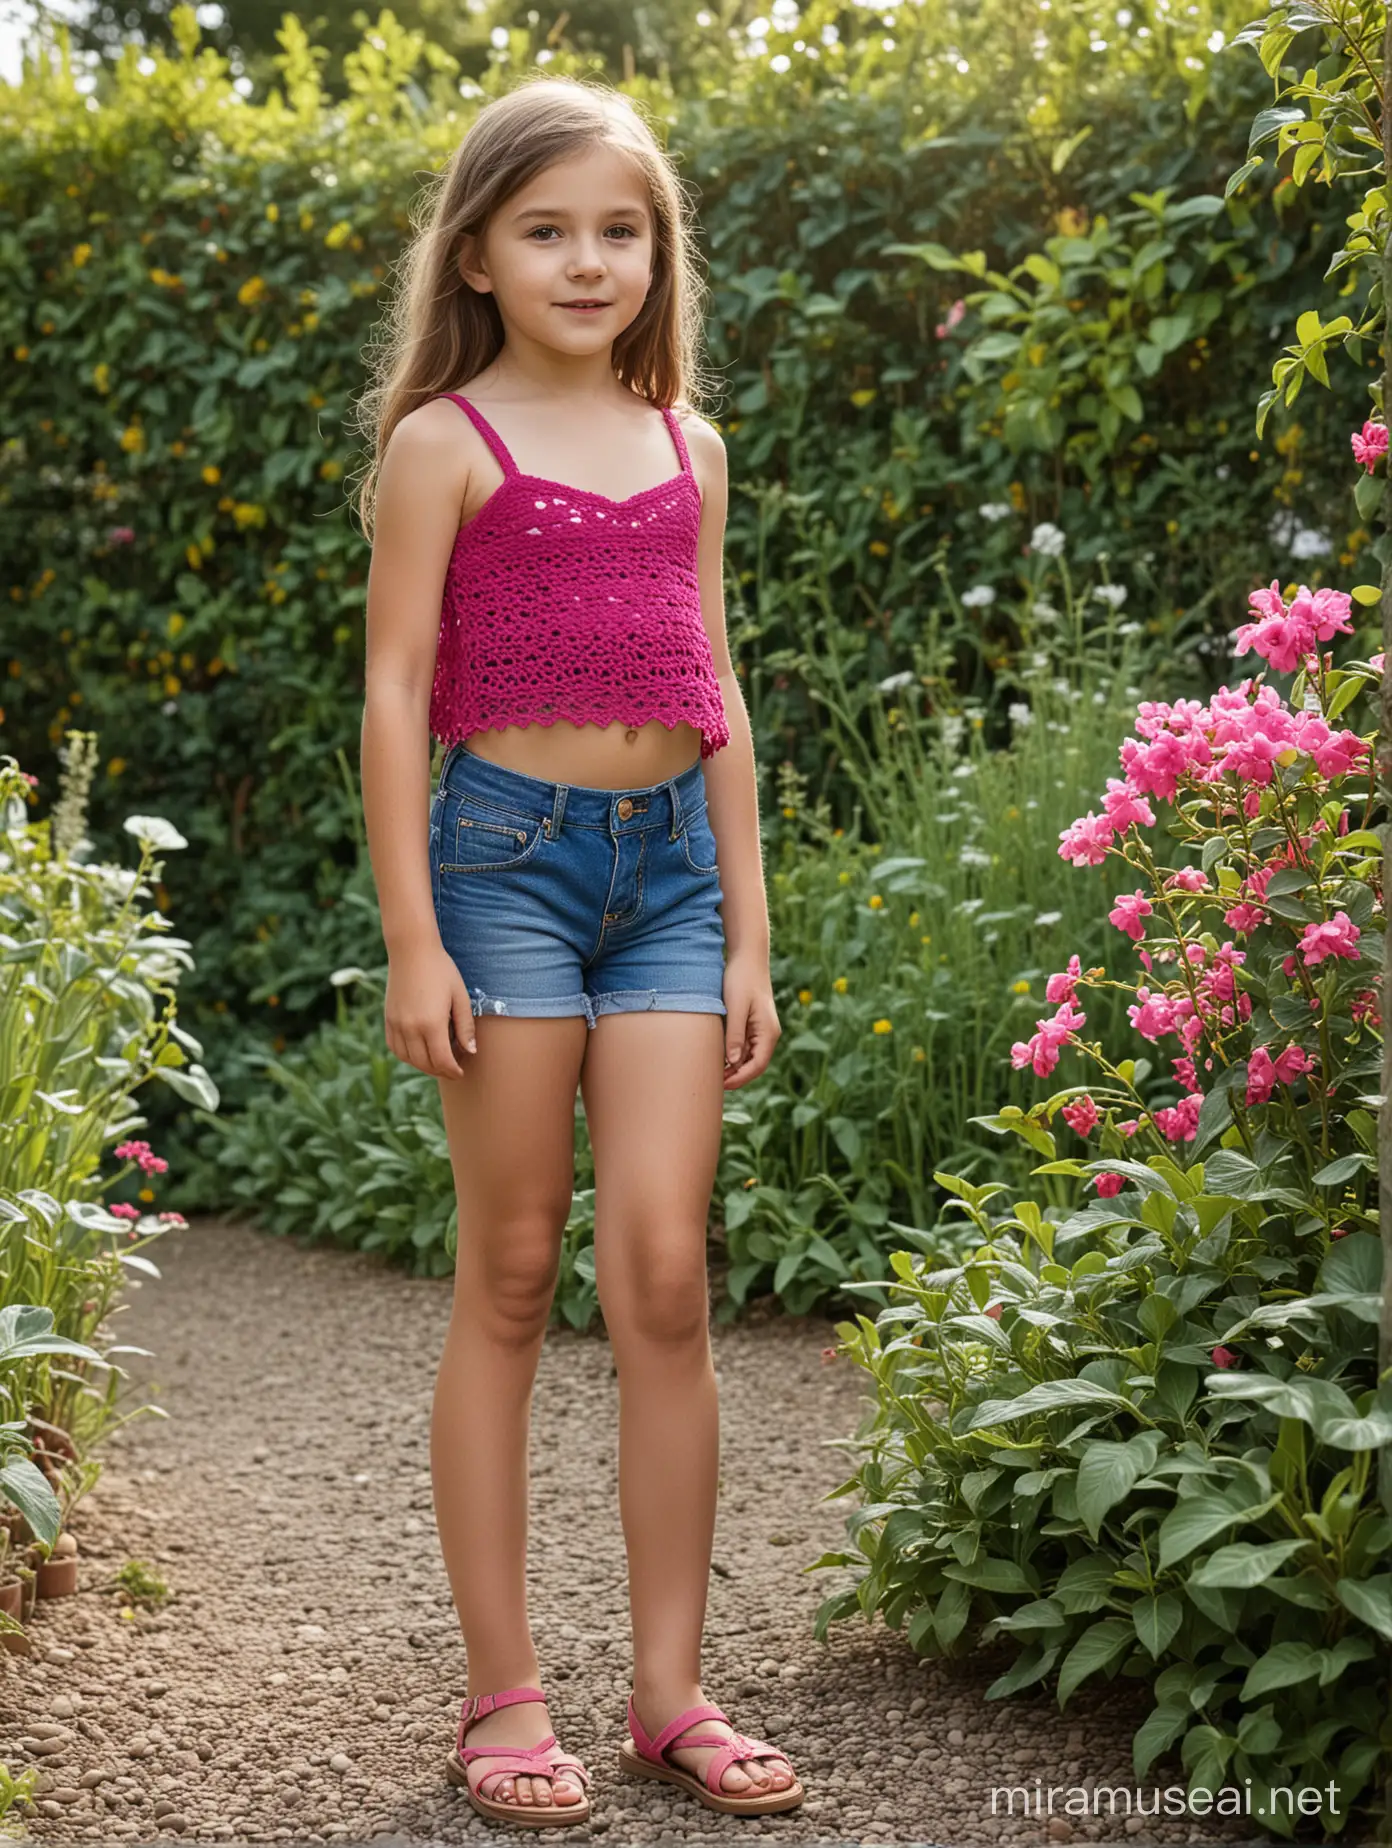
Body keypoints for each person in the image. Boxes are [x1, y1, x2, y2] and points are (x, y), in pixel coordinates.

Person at [353, 73, 804, 1829]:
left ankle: (671, 1692)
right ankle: (504, 1693)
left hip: (673, 883)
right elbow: (394, 696)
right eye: (547, 230)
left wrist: (752, 930)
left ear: (657, 253)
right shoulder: (445, 447)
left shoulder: (690, 442)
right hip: (504, 874)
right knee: (519, 1269)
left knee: (669, 1276)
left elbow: (718, 690)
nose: (589, 259)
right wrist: (413, 934)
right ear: (476, 254)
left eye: (621, 229)